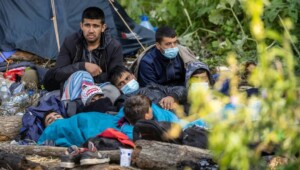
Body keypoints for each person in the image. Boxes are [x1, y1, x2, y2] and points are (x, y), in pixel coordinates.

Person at [43, 7, 123, 103]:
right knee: (81, 75)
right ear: (81, 26)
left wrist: (92, 82)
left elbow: (114, 76)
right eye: (87, 25)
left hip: (100, 88)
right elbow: (58, 73)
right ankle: (74, 109)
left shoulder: (113, 46)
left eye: (95, 26)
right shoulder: (71, 42)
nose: (91, 30)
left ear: (103, 28)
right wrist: (83, 66)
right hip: (75, 86)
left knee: (113, 93)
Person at [110, 65, 187, 111]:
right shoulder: (122, 101)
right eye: (121, 84)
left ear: (133, 76)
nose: (127, 83)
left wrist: (172, 96)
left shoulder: (152, 86)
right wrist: (160, 106)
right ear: (118, 89)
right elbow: (134, 113)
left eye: (127, 78)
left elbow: (181, 89)